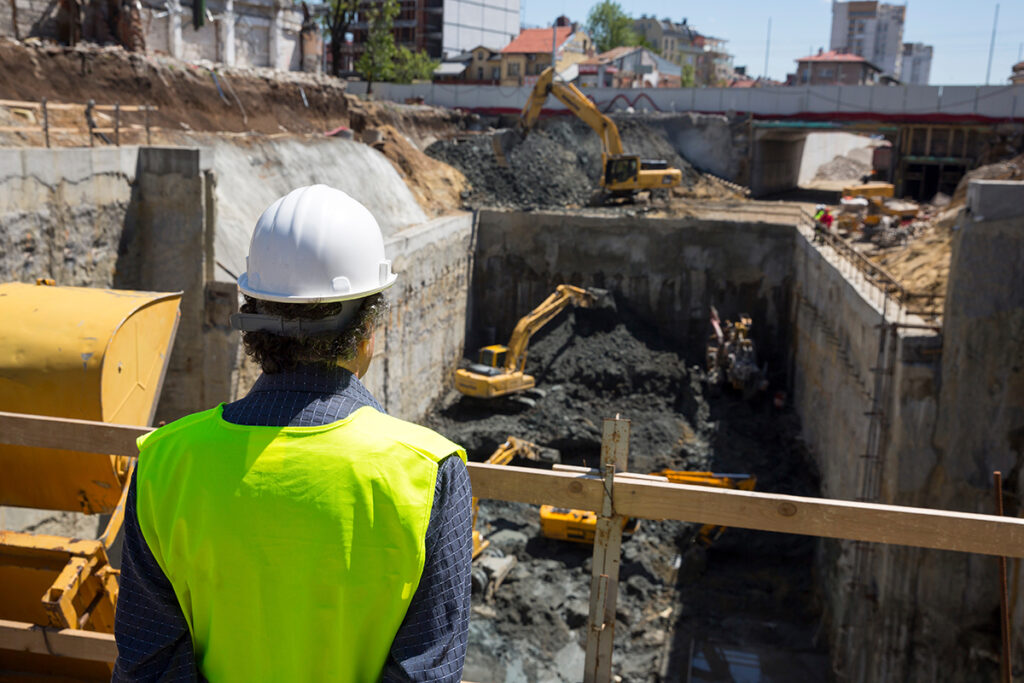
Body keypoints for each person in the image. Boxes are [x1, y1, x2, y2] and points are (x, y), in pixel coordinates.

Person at [113, 185, 473, 682]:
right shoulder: (428, 472)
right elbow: (427, 671)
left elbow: (147, 662)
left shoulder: (165, 461)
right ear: (368, 327)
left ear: (253, 324)